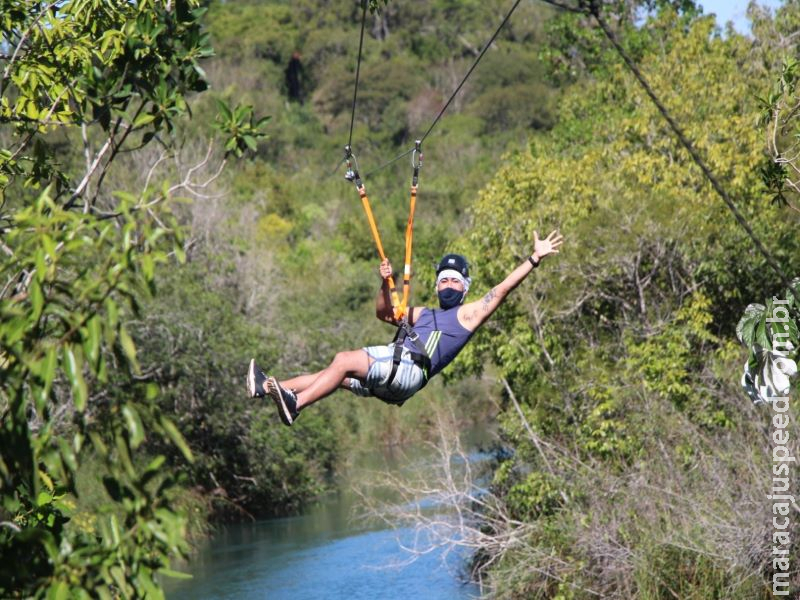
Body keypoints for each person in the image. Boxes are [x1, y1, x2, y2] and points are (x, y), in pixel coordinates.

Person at [247, 230, 563, 426]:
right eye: (444, 280)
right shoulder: (423, 314)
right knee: (331, 374)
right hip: (394, 379)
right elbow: (384, 313)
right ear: (437, 286)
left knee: (343, 359)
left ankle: (296, 405)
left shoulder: (467, 316)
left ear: (465, 288)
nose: (448, 285)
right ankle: (268, 387)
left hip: (408, 371)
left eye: (455, 281)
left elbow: (502, 290)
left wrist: (534, 258)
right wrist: (387, 282)